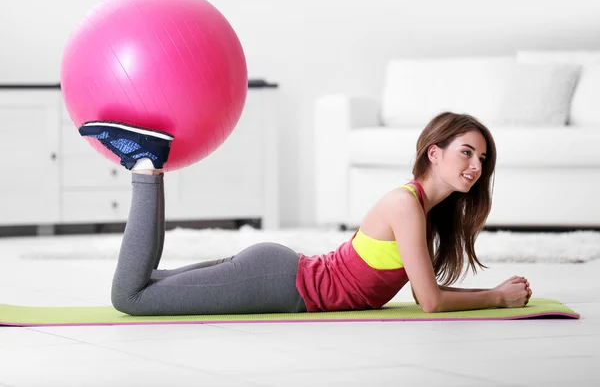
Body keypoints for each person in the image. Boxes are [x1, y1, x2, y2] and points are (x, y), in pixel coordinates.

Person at [78, 112, 532, 316]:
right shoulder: (405, 205)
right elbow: (431, 302)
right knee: (130, 298)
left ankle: (148, 162)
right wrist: (494, 297)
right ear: (434, 153)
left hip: (278, 274)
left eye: (482, 159)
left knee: (145, 285)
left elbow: (424, 293)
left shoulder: (421, 209)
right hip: (278, 282)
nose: (475, 166)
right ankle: (145, 163)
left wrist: (493, 292)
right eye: (466, 153)